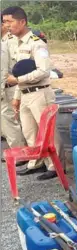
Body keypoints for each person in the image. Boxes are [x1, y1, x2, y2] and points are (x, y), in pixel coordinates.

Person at [2, 6, 63, 180]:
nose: (6, 25)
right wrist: (16, 97)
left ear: (22, 22)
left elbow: (43, 72)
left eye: (10, 21)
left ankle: (55, 166)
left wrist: (17, 81)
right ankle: (36, 162)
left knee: (48, 132)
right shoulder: (15, 44)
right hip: (25, 93)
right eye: (4, 22)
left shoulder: (37, 43)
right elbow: (19, 72)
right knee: (30, 132)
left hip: (40, 93)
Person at [1, 14, 27, 165]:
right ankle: (18, 151)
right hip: (8, 86)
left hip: (10, 87)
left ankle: (19, 153)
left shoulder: (11, 41)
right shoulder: (4, 41)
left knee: (10, 120)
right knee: (9, 121)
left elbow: (11, 68)